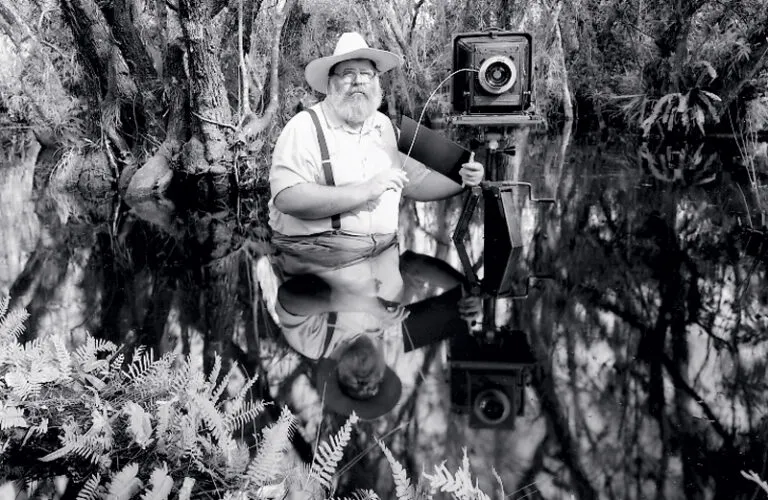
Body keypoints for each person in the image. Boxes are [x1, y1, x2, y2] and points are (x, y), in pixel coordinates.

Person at [268, 32, 484, 262]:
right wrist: (367, 190)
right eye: (348, 74)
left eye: (366, 74)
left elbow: (416, 183)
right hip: (318, 257)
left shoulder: (386, 127)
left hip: (384, 253)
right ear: (331, 83)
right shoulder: (303, 127)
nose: (358, 81)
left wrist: (464, 179)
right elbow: (287, 198)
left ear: (376, 82)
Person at [272, 243, 482, 420]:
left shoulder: (315, 344)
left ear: (335, 371)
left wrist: (365, 304)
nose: (363, 382)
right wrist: (463, 290)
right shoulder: (391, 318)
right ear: (385, 367)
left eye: (352, 386)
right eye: (374, 385)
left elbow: (289, 297)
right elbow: (413, 265)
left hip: (310, 230)